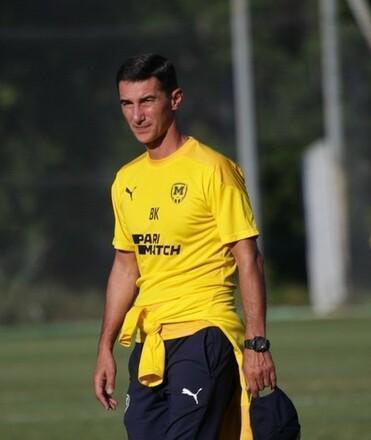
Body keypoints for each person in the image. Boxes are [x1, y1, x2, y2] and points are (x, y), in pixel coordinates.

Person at [93, 54, 276, 439]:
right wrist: (105, 346)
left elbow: (249, 259)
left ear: (174, 99)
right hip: (151, 342)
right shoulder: (125, 181)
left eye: (147, 101)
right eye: (127, 103)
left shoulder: (213, 169)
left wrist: (257, 344)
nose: (137, 116)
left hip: (204, 333)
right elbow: (126, 266)